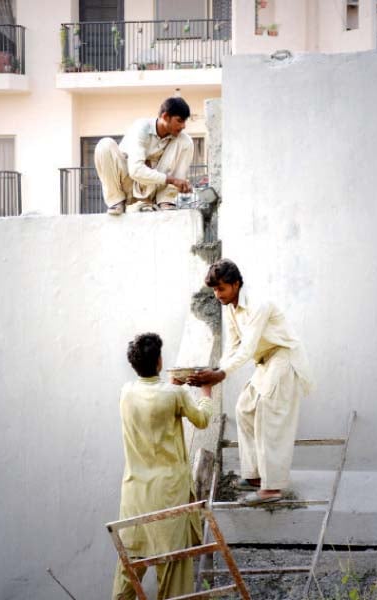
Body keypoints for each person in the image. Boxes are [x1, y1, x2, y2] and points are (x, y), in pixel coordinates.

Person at [187, 259, 314, 506]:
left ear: (236, 284)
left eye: (221, 288)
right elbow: (232, 347)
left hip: (283, 357)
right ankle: (255, 476)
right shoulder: (230, 308)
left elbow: (246, 349)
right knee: (244, 408)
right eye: (214, 290)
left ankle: (272, 487)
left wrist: (220, 375)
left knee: (267, 415)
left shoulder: (258, 305)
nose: (217, 295)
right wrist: (215, 371)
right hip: (265, 362)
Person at [112, 332, 213, 600]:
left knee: (130, 566)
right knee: (172, 565)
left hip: (135, 493)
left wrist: (170, 384)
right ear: (159, 360)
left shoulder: (126, 392)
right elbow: (202, 419)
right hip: (168, 493)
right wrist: (206, 391)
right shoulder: (175, 394)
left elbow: (152, 400)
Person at [95, 97, 194, 216]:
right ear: (165, 117)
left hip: (154, 189)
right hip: (128, 184)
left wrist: (179, 183)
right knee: (104, 144)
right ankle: (116, 202)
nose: (183, 126)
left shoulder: (180, 139)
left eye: (185, 121)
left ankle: (166, 200)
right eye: (179, 121)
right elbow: (135, 170)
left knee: (186, 140)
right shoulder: (141, 128)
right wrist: (173, 180)